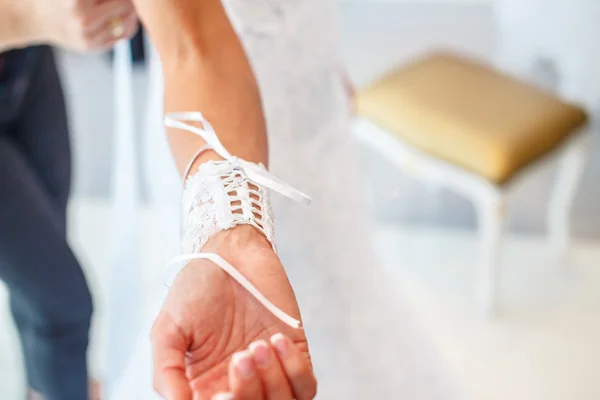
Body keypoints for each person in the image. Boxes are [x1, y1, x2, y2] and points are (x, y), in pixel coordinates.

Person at [113, 0, 460, 399]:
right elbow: (196, 44)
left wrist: (320, 58)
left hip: (316, 103)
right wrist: (230, 231)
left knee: (343, 285)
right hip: (210, 126)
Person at [0, 1, 137, 399]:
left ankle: (45, 385)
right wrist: (27, 18)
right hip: (27, 29)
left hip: (27, 57)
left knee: (44, 265)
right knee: (64, 301)